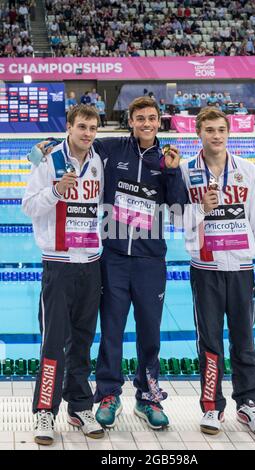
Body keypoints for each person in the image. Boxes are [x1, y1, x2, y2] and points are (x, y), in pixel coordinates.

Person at [26, 96, 188, 431]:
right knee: (94, 334)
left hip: (136, 259)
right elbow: (69, 149)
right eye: (140, 118)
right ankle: (85, 400)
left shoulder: (164, 158)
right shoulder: (110, 150)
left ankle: (132, 398)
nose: (146, 124)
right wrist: (44, 155)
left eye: (152, 118)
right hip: (99, 259)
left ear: (160, 121)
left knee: (127, 336)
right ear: (130, 121)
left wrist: (172, 173)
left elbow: (179, 212)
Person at [180, 107, 255, 437]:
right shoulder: (185, 171)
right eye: (209, 130)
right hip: (205, 269)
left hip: (241, 269)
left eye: (221, 129)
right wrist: (199, 209)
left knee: (244, 339)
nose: (216, 135)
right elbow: (178, 221)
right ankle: (211, 406)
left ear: (229, 133)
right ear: (198, 134)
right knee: (210, 341)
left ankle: (249, 405)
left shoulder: (246, 170)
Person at [22, 105, 105, 445]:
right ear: (69, 127)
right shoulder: (48, 160)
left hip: (91, 264)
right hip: (58, 264)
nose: (87, 133)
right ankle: (45, 410)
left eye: (93, 128)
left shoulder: (99, 161)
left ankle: (80, 406)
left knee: (83, 340)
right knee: (54, 342)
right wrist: (57, 191)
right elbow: (28, 206)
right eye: (82, 126)